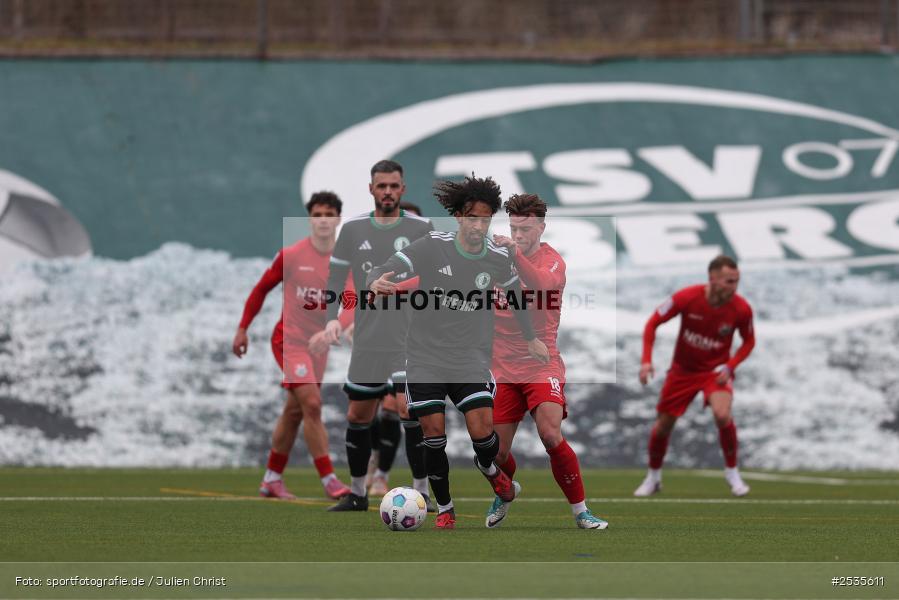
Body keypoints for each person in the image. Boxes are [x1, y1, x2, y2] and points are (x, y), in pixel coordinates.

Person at [366, 174, 550, 529]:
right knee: (433, 435)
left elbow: (515, 298)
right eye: (471, 218)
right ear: (459, 217)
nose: (478, 225)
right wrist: (376, 278)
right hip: (425, 357)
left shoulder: (497, 257)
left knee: (482, 434)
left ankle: (489, 468)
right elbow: (389, 264)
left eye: (484, 218)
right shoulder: (432, 245)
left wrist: (531, 338)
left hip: (470, 356)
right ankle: (446, 508)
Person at [487, 194, 608, 530]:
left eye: (525, 228)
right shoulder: (495, 258)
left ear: (541, 227)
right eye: (514, 228)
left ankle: (581, 512)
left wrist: (513, 255)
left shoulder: (552, 260)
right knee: (493, 454)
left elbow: (541, 284)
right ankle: (505, 490)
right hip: (502, 369)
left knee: (550, 434)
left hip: (541, 365)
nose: (519, 234)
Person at [321, 160, 433, 511]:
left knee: (408, 410)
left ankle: (422, 493)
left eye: (393, 186)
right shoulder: (353, 230)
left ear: (403, 189)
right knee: (358, 415)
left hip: (409, 337)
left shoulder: (421, 228)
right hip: (369, 338)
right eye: (381, 185)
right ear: (371, 189)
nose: (387, 191)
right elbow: (336, 282)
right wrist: (331, 319)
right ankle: (357, 494)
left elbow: (434, 279)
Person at [232, 191, 352, 500]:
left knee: (295, 411)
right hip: (290, 340)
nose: (323, 220)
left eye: (329, 215)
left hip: (319, 346)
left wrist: (336, 328)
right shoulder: (292, 254)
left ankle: (271, 479)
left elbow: (353, 301)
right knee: (312, 404)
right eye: (317, 214)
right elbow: (261, 289)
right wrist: (243, 329)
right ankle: (329, 481)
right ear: (309, 219)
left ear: (338, 219)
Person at [634, 255, 756, 497]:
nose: (734, 287)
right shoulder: (687, 297)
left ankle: (732, 473)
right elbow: (652, 323)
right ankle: (654, 477)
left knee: (722, 414)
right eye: (729, 282)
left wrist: (730, 366)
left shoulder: (741, 308)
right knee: (663, 427)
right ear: (712, 278)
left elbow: (749, 341)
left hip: (715, 372)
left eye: (736, 281)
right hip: (683, 371)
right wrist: (646, 360)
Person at [364, 199, 427, 496]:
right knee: (377, 408)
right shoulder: (385, 262)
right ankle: (377, 465)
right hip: (381, 343)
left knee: (401, 407)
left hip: (417, 345)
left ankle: (407, 483)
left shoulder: (432, 257)